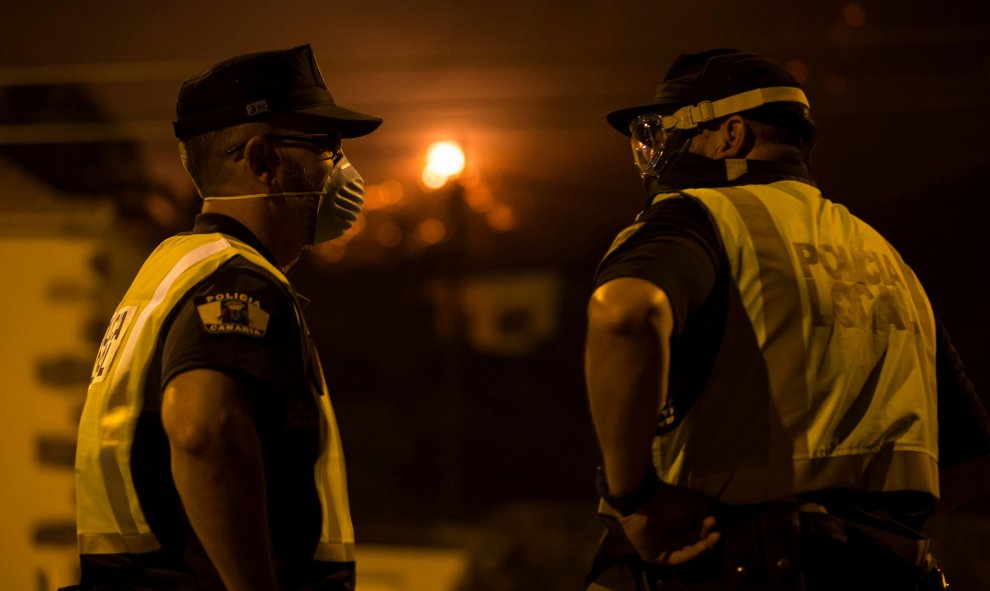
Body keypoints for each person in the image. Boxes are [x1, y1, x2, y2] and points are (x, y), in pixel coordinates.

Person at [584, 48, 990, 591]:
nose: (653, 157)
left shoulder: (700, 220)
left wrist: (634, 498)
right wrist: (864, 529)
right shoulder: (884, 257)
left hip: (723, 566)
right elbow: (975, 457)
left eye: (663, 134)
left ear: (730, 136)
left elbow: (624, 315)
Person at [69, 44, 380, 591]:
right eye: (323, 146)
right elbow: (202, 428)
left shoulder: (173, 267)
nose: (341, 168)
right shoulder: (237, 281)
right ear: (262, 160)